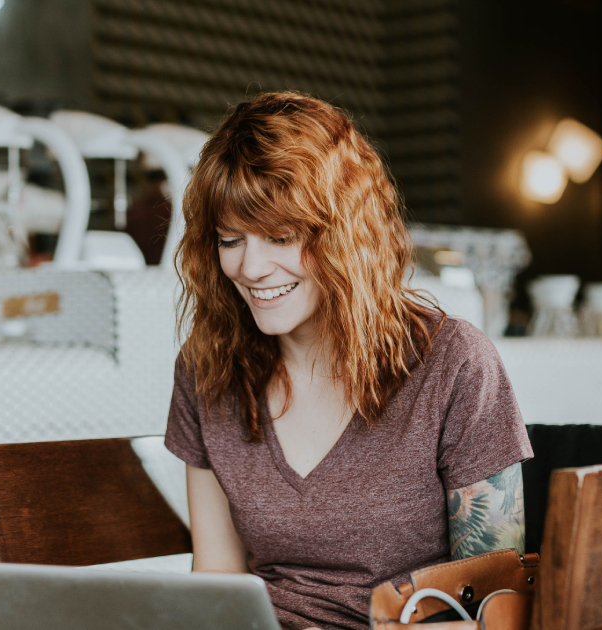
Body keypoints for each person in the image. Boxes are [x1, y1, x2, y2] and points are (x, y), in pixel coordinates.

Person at [163, 92, 533, 630]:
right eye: (230, 239)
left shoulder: (454, 364)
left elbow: (497, 606)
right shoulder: (207, 370)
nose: (251, 267)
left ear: (346, 235)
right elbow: (217, 573)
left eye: (282, 236)